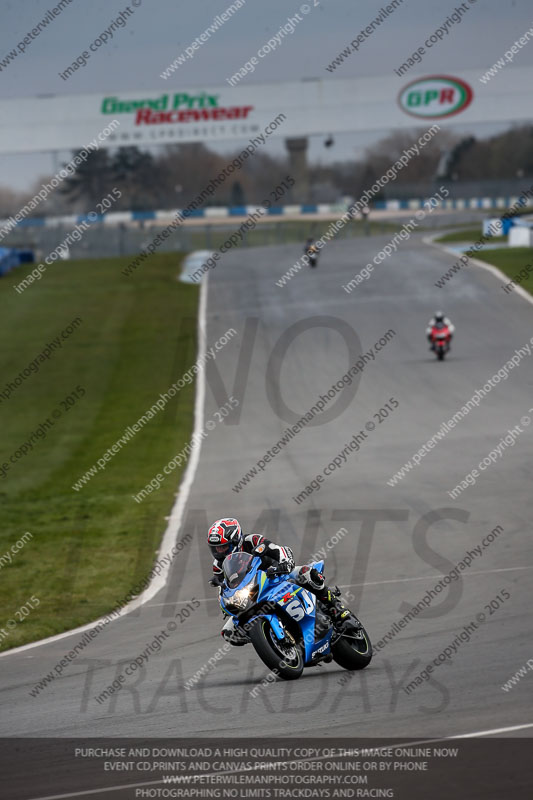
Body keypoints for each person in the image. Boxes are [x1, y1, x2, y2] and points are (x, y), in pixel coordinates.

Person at [207, 518, 358, 644]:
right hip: (253, 592)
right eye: (216, 548)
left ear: (236, 540)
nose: (219, 551)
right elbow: (225, 588)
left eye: (223, 547)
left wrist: (284, 563)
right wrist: (226, 603)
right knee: (228, 632)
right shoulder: (218, 566)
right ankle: (267, 638)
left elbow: (279, 550)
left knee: (307, 574)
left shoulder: (252, 541)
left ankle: (339, 611)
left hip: (277, 576)